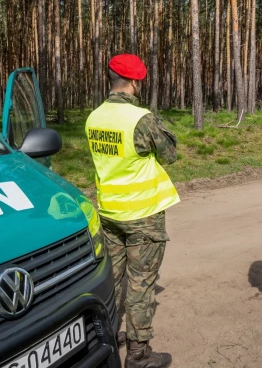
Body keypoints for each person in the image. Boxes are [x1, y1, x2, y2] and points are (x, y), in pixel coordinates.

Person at [86, 53, 179, 368]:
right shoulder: (142, 118)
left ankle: (107, 335)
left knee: (111, 279)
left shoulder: (93, 117)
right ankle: (139, 356)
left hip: (109, 213)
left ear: (110, 78)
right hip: (142, 216)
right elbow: (170, 154)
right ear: (136, 81)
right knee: (140, 283)